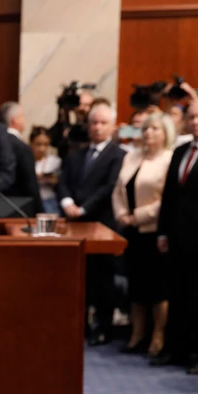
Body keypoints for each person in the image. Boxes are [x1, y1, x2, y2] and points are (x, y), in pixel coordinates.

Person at [153, 100, 198, 375]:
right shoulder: (181, 150)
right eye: (191, 117)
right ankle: (176, 349)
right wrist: (162, 232)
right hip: (177, 237)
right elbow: (169, 197)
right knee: (177, 295)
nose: (195, 122)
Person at [57, 104, 126, 345]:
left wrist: (83, 207)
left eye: (103, 123)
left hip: (102, 224)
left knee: (103, 278)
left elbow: (109, 187)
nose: (97, 127)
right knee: (79, 277)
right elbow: (63, 182)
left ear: (112, 126)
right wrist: (67, 202)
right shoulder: (76, 154)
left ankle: (103, 326)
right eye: (94, 123)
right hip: (73, 224)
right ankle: (80, 324)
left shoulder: (119, 155)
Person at [111, 112, 174, 358]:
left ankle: (158, 335)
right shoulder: (132, 156)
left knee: (158, 287)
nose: (149, 133)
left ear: (165, 133)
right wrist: (122, 215)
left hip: (155, 231)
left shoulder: (169, 159)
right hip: (131, 232)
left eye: (155, 129)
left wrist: (137, 216)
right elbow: (118, 189)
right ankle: (137, 333)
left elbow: (167, 200)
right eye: (146, 128)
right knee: (136, 285)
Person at [0, 101, 42, 214]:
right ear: (15, 120)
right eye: (22, 116)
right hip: (20, 209)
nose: (24, 121)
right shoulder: (22, 147)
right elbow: (30, 184)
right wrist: (39, 211)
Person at [30, 126, 62, 214]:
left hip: (49, 200)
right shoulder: (26, 161)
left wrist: (51, 179)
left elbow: (60, 182)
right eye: (38, 144)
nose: (42, 149)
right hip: (31, 201)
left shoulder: (55, 161)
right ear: (31, 143)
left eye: (45, 144)